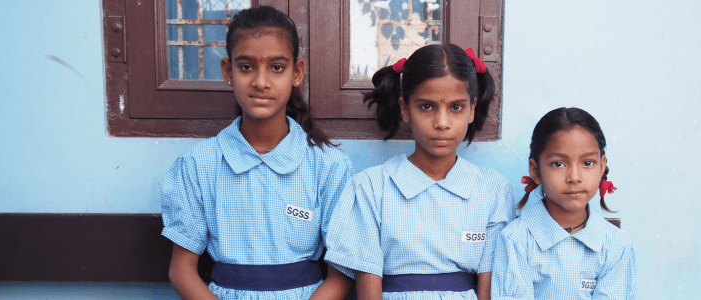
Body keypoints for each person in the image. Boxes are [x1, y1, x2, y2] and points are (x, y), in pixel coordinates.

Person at [160, 6, 353, 300]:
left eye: (277, 67)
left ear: (296, 73)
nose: (261, 82)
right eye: (246, 66)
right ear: (228, 71)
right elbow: (182, 268)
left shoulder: (327, 166)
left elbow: (342, 274)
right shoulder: (199, 165)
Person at [324, 44, 514, 300]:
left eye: (456, 107)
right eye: (426, 107)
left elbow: (489, 289)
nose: (442, 123)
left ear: (472, 109)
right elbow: (368, 292)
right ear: (405, 108)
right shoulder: (371, 187)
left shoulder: (492, 190)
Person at [491, 107, 637, 299]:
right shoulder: (516, 240)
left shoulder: (616, 246)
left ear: (602, 166)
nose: (574, 177)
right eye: (558, 164)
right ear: (535, 170)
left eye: (587, 163)